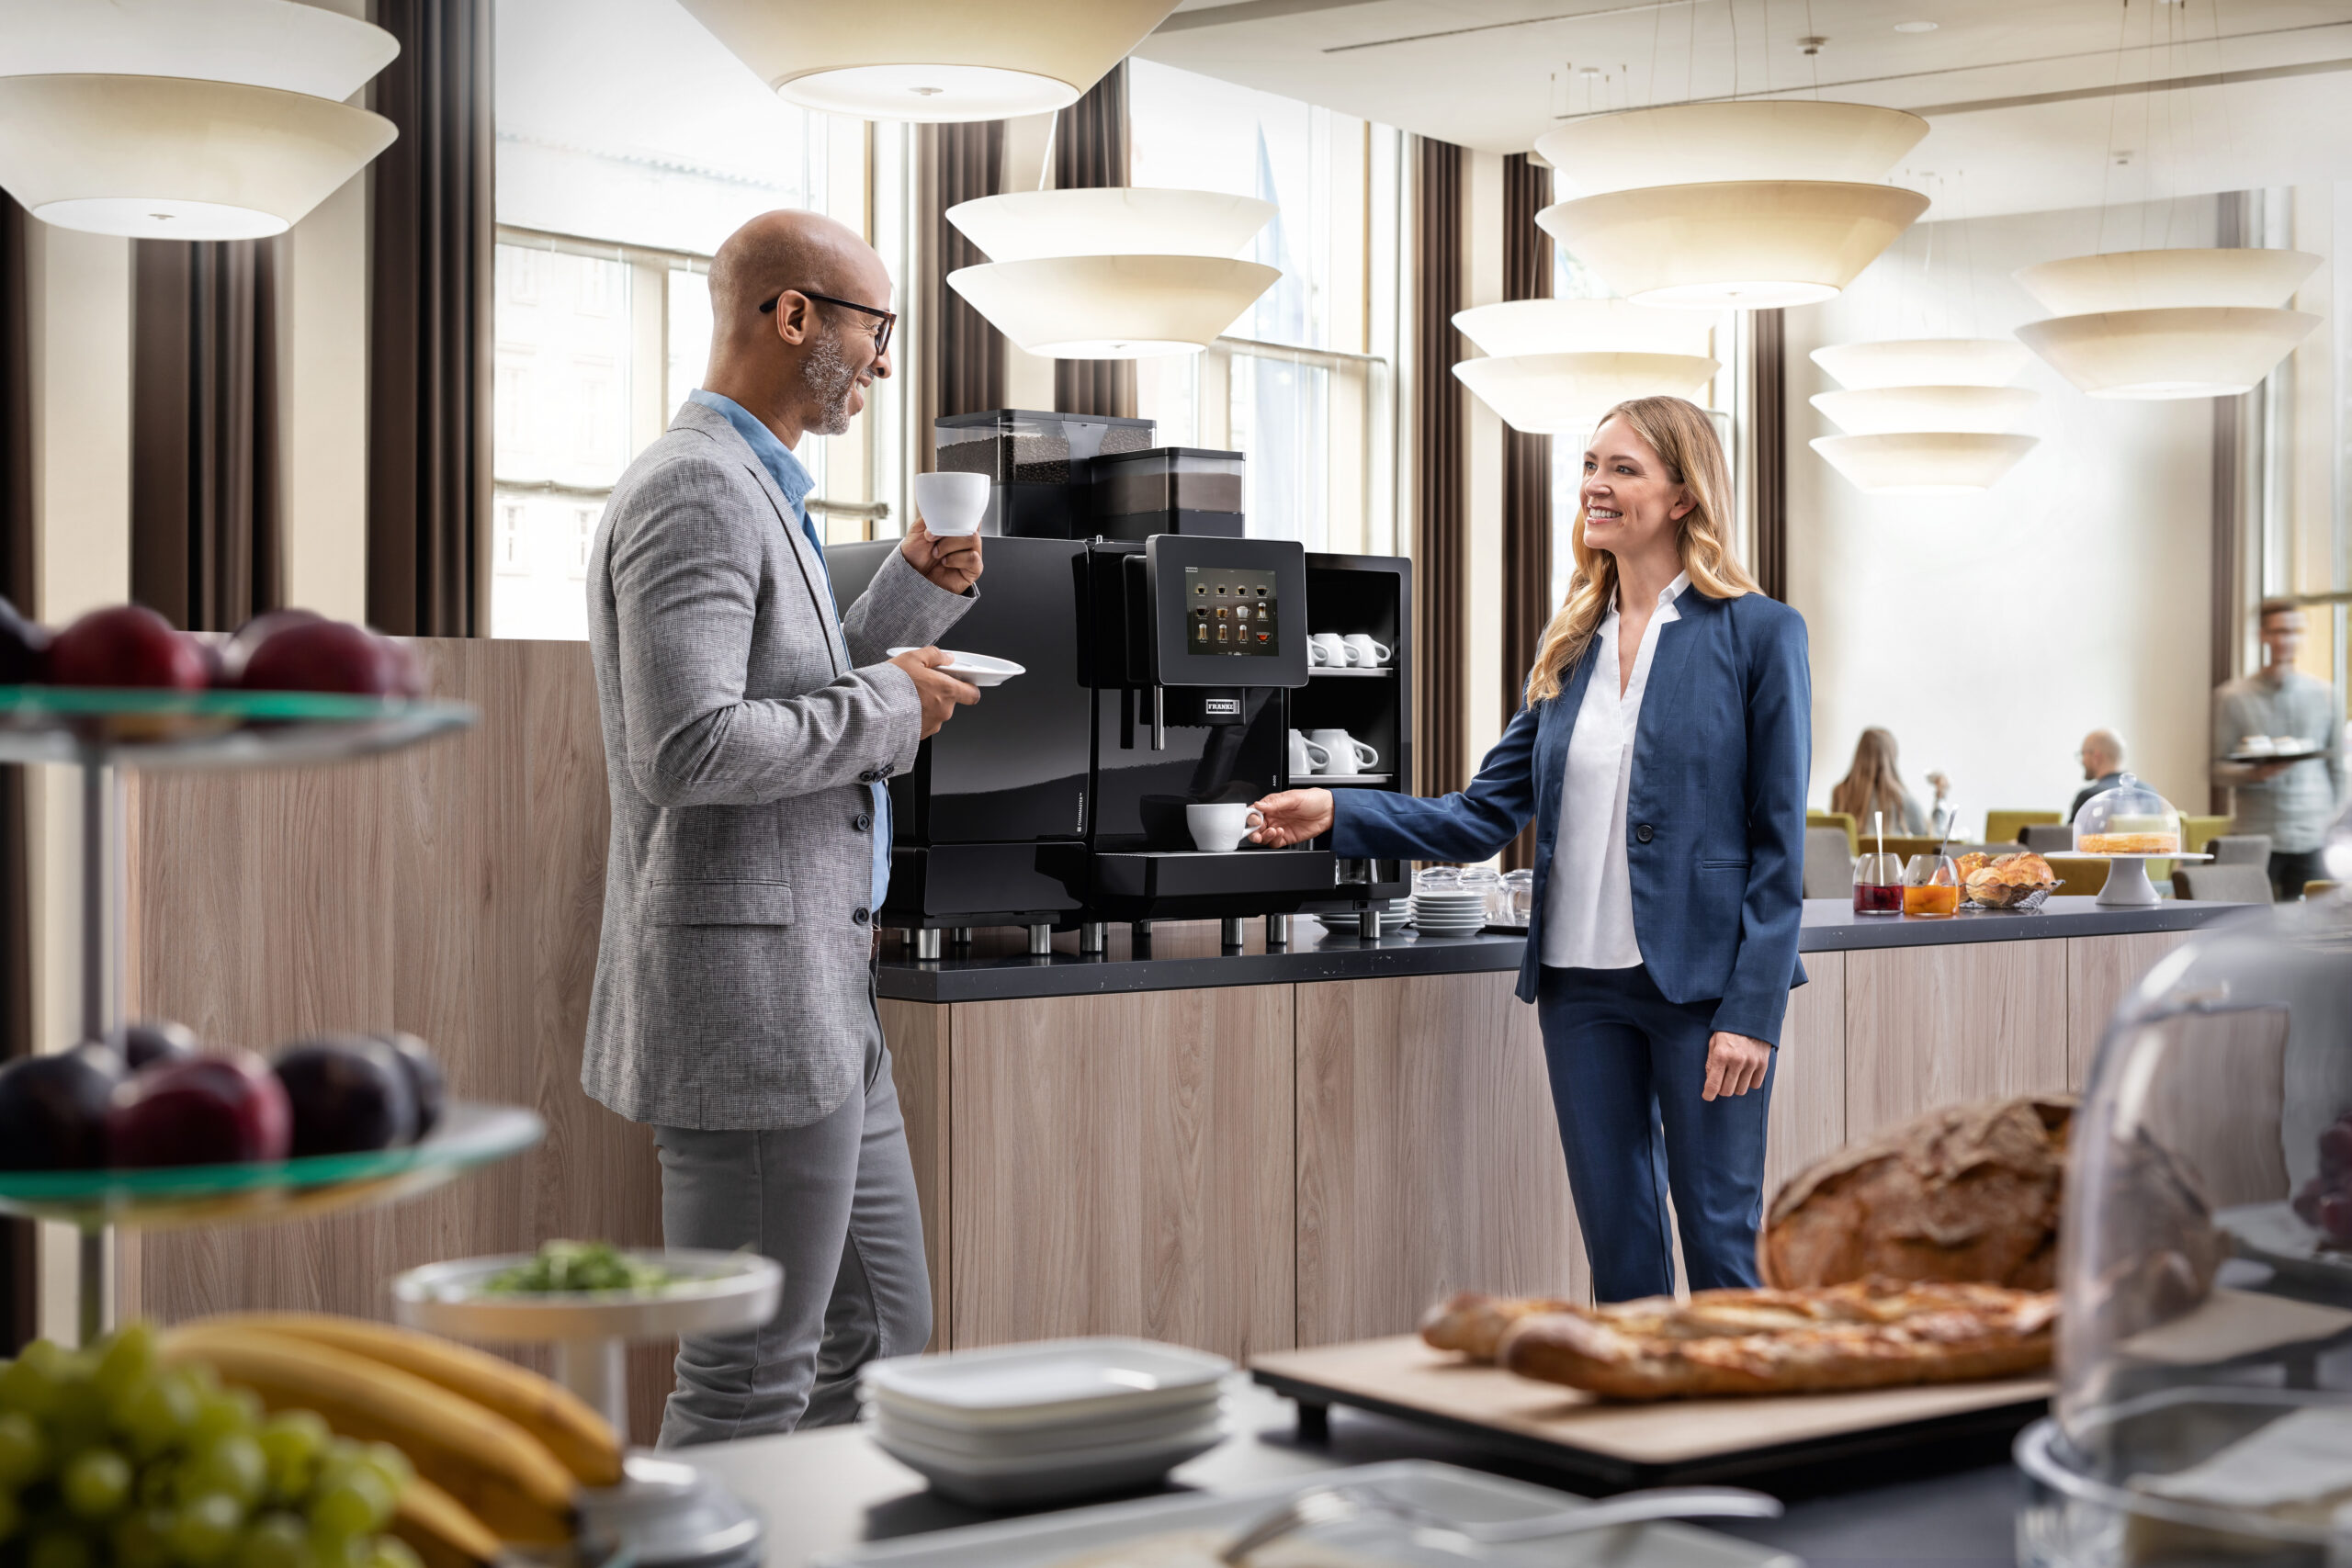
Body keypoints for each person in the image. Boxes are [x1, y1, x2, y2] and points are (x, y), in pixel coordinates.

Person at [1249, 396, 1809, 1303]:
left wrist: (1753, 1011)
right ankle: (1641, 1437)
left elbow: (1779, 844)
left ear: (1681, 495)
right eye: (1590, 465)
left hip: (1703, 992)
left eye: (1622, 468)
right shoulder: (1570, 649)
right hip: (1577, 991)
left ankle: (1744, 1439)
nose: (1594, 485)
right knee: (1618, 1248)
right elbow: (1478, 816)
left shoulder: (1759, 635)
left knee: (1719, 1241)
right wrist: (1337, 810)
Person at [582, 209, 986, 1443]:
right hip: (750, 1004)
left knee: (875, 1347)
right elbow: (689, 745)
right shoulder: (697, 489)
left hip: (822, 999)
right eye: (876, 327)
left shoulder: (759, 484)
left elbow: (788, 688)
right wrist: (890, 705)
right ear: (794, 314)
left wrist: (911, 591)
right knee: (750, 1376)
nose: (881, 360)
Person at [2213, 600, 2348, 900]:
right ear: (2262, 635)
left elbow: (2338, 769)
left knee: (2311, 934)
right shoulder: (2232, 697)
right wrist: (2254, 773)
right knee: (2244, 922)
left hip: (2313, 835)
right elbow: (2216, 770)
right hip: (2256, 833)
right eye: (2277, 631)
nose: (2285, 640)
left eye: (2293, 631)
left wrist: (2329, 822)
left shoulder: (2326, 694)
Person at [1827, 728, 1931, 835]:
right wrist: (1940, 798)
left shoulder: (1840, 793)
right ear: (1891, 756)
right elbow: (1929, 842)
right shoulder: (1902, 800)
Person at [2069, 729, 2127, 823]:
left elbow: (2071, 837)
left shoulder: (2091, 797)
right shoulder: (2149, 792)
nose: (2082, 761)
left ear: (2096, 757)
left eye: (2083, 754)